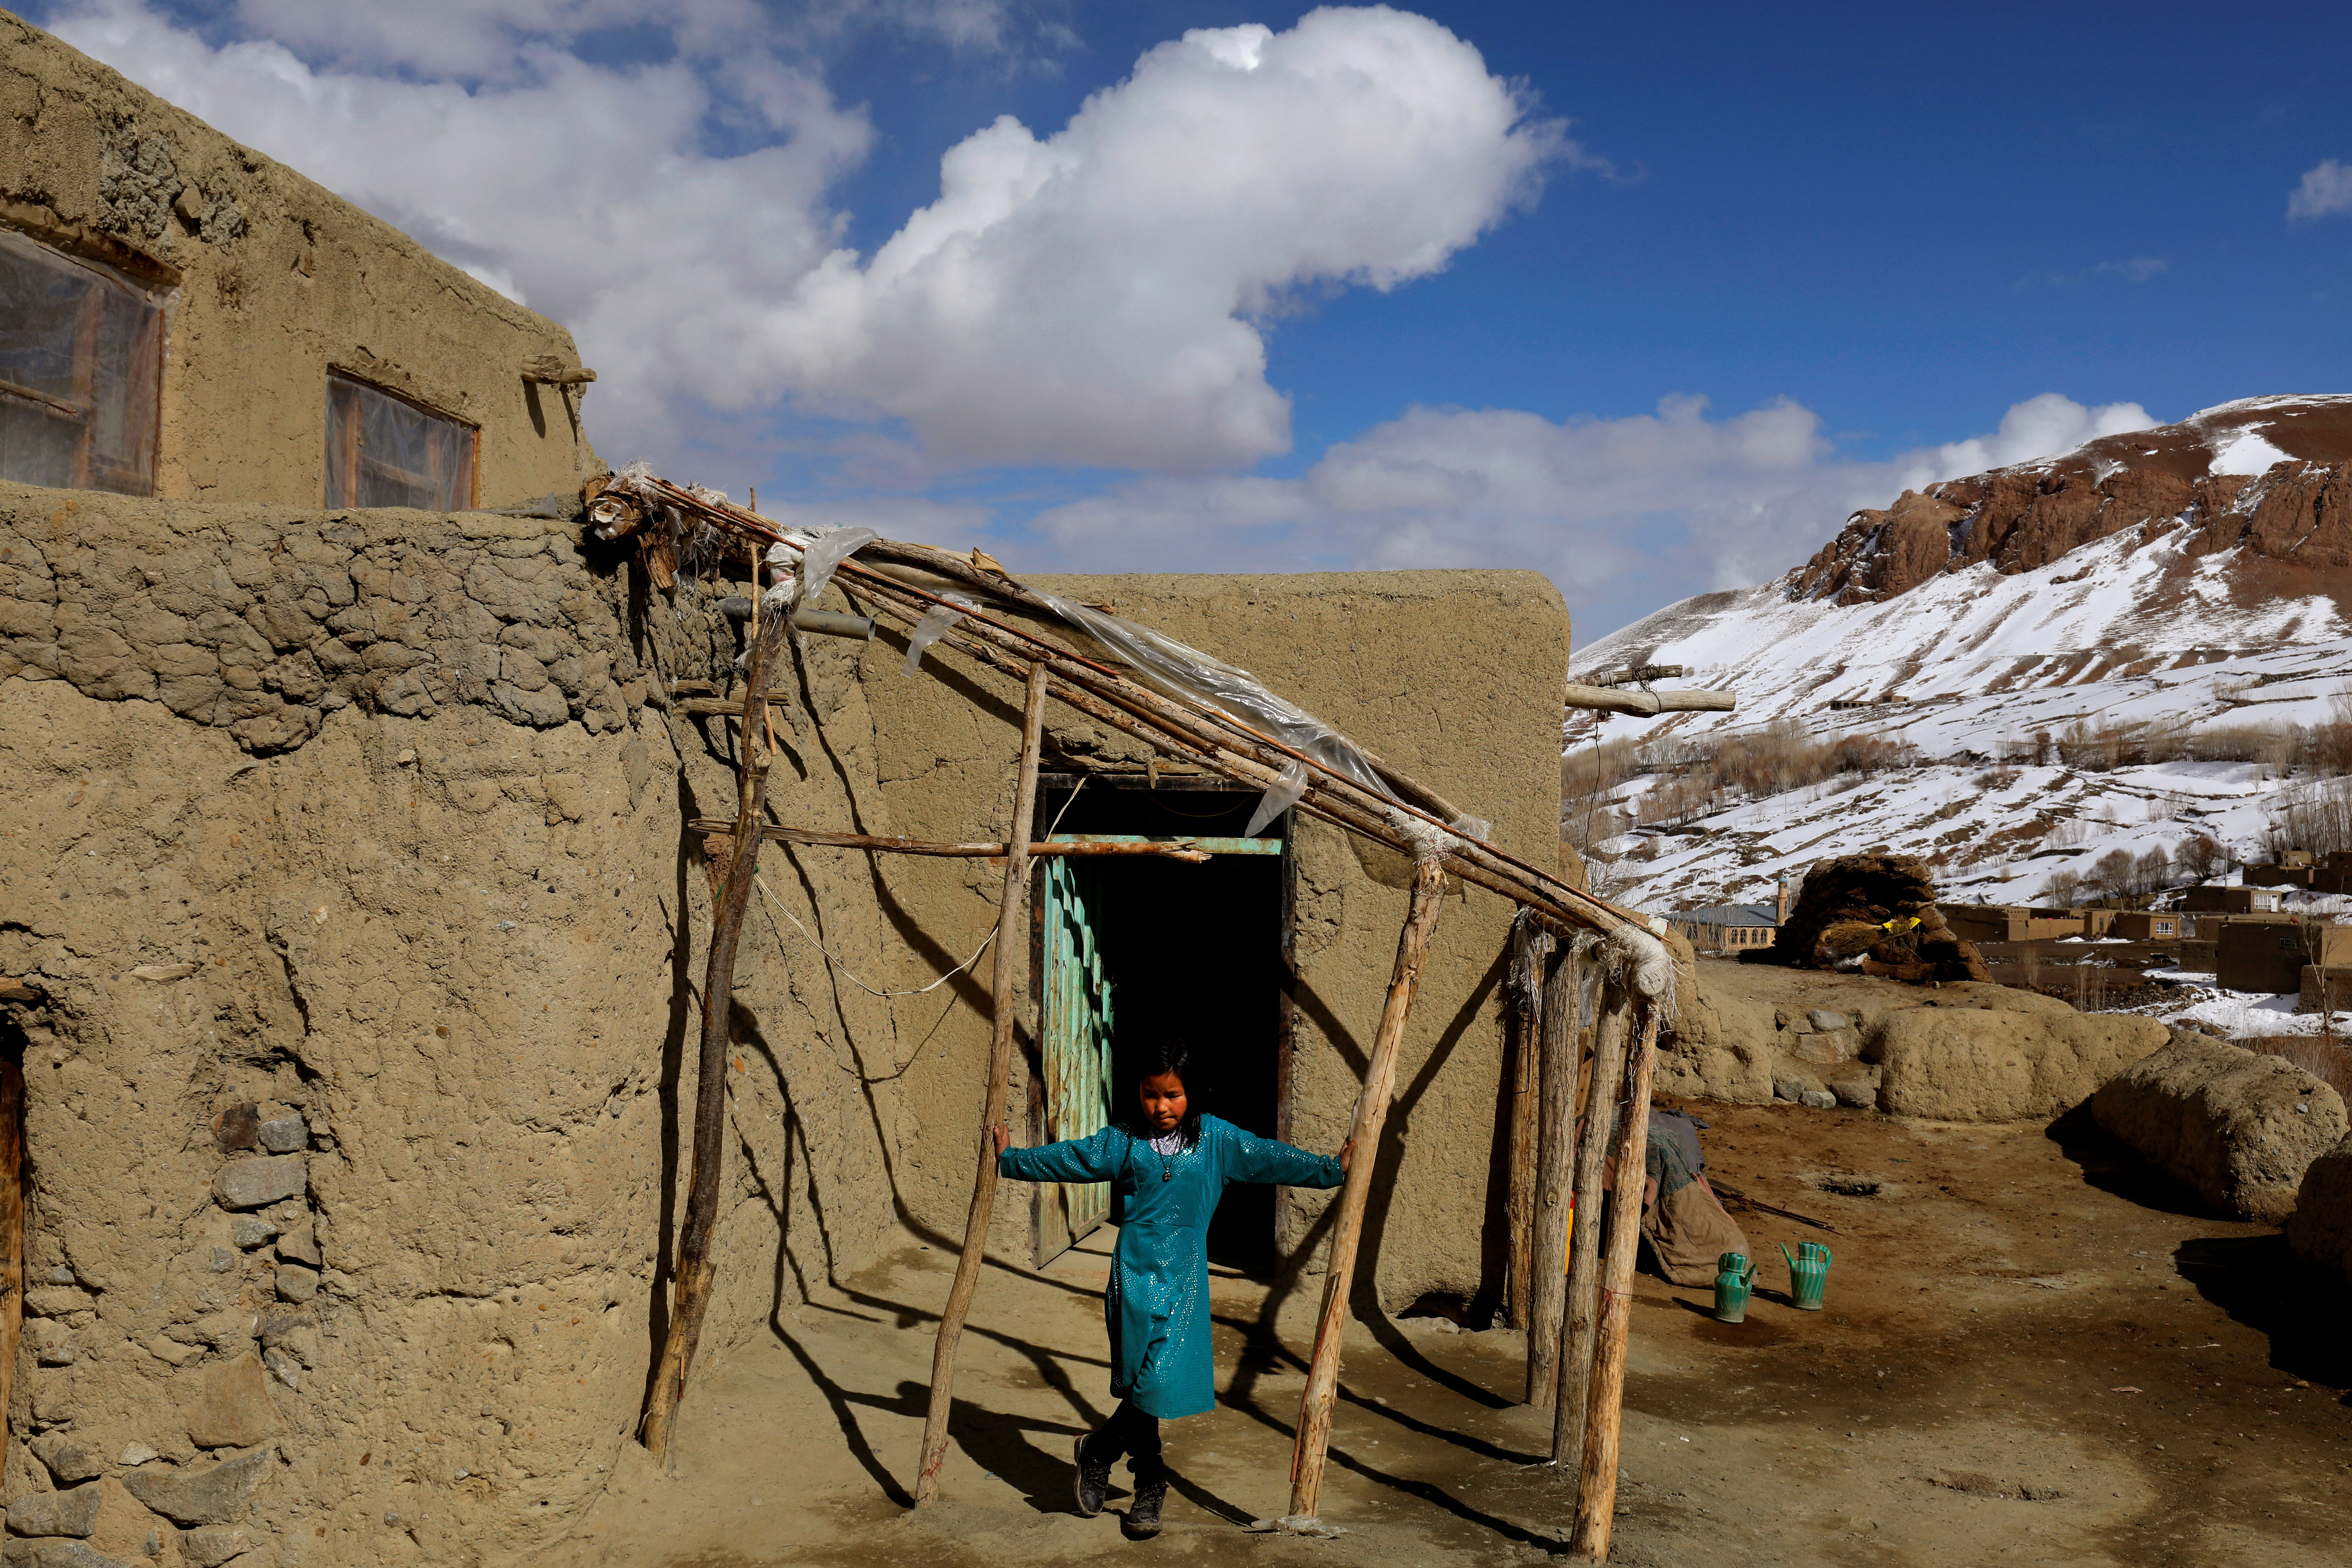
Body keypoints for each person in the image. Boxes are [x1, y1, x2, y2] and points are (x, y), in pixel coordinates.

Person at [992, 1041, 1350, 1538]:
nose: (1160, 1107)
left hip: (1184, 1284)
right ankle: (1147, 1489)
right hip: (1133, 1278)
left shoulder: (1217, 1141)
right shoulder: (1125, 1141)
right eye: (1149, 1094)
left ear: (1192, 1093)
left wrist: (1331, 1169)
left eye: (1173, 1095)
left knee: (1155, 1385)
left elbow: (1271, 1159)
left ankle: (1105, 1453)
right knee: (1142, 1385)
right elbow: (1073, 1158)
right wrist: (1012, 1159)